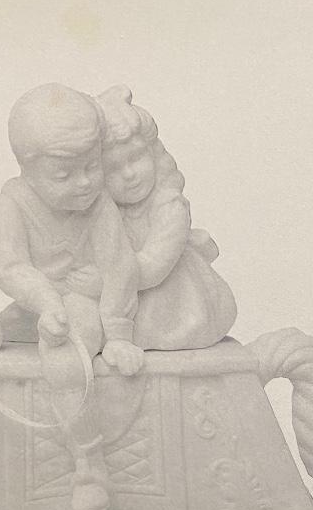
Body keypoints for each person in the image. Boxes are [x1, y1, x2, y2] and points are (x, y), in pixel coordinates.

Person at [0, 83, 144, 510]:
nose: (84, 183)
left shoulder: (99, 205)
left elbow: (119, 268)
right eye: (63, 175)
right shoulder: (14, 200)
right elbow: (10, 267)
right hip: (37, 303)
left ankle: (89, 467)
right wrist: (44, 301)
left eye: (92, 167)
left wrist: (118, 333)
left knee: (63, 358)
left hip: (82, 304)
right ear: (27, 169)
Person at [97, 85, 237, 350]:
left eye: (136, 158)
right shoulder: (106, 214)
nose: (129, 174)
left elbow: (154, 268)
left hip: (172, 300)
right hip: (122, 297)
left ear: (154, 154)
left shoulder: (169, 206)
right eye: (112, 169)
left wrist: (103, 280)